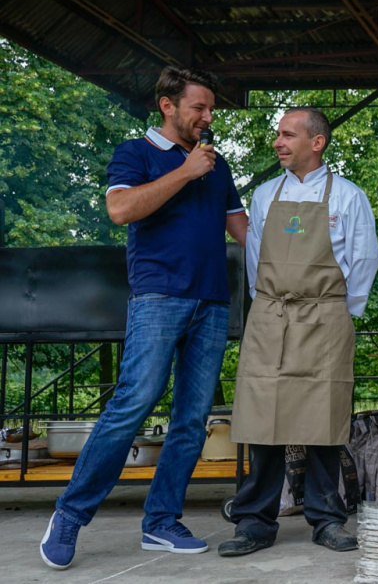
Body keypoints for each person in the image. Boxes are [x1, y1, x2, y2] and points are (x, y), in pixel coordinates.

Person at [40, 66, 248, 569]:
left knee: (192, 419)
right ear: (168, 106)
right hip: (158, 297)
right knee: (133, 403)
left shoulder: (217, 165)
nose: (208, 116)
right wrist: (184, 171)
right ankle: (69, 514)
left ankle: (161, 522)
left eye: (211, 108)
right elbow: (121, 211)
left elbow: (246, 230)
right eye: (199, 107)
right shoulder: (135, 153)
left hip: (213, 301)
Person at [219, 107, 378, 557]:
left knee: (323, 422)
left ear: (317, 142)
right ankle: (254, 521)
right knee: (262, 420)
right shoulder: (266, 195)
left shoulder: (349, 197)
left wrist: (336, 311)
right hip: (271, 315)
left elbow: (365, 261)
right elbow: (255, 260)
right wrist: (271, 302)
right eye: (278, 135)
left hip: (325, 316)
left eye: (288, 135)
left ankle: (327, 519)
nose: (278, 142)